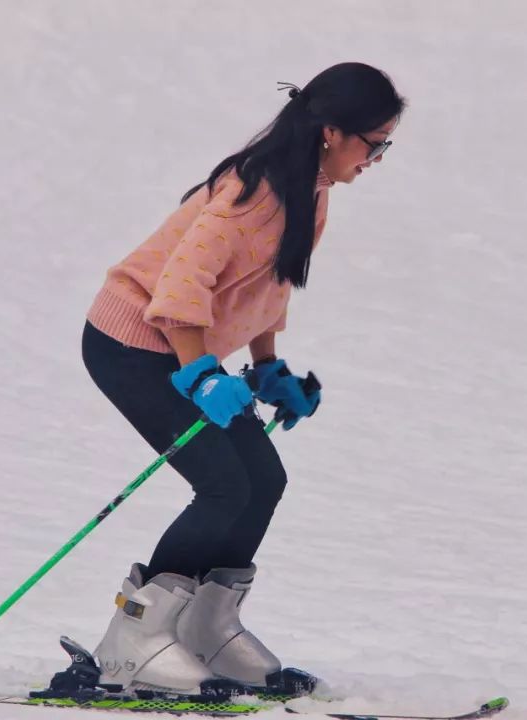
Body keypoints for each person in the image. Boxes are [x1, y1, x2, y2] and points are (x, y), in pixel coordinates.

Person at [80, 62, 406, 696]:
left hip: (180, 348)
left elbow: (267, 285)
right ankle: (134, 642)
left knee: (264, 479)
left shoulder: (310, 188)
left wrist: (265, 366)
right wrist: (201, 375)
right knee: (224, 484)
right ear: (333, 132)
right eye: (375, 144)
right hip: (130, 343)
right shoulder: (251, 193)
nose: (376, 159)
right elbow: (175, 292)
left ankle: (205, 626)